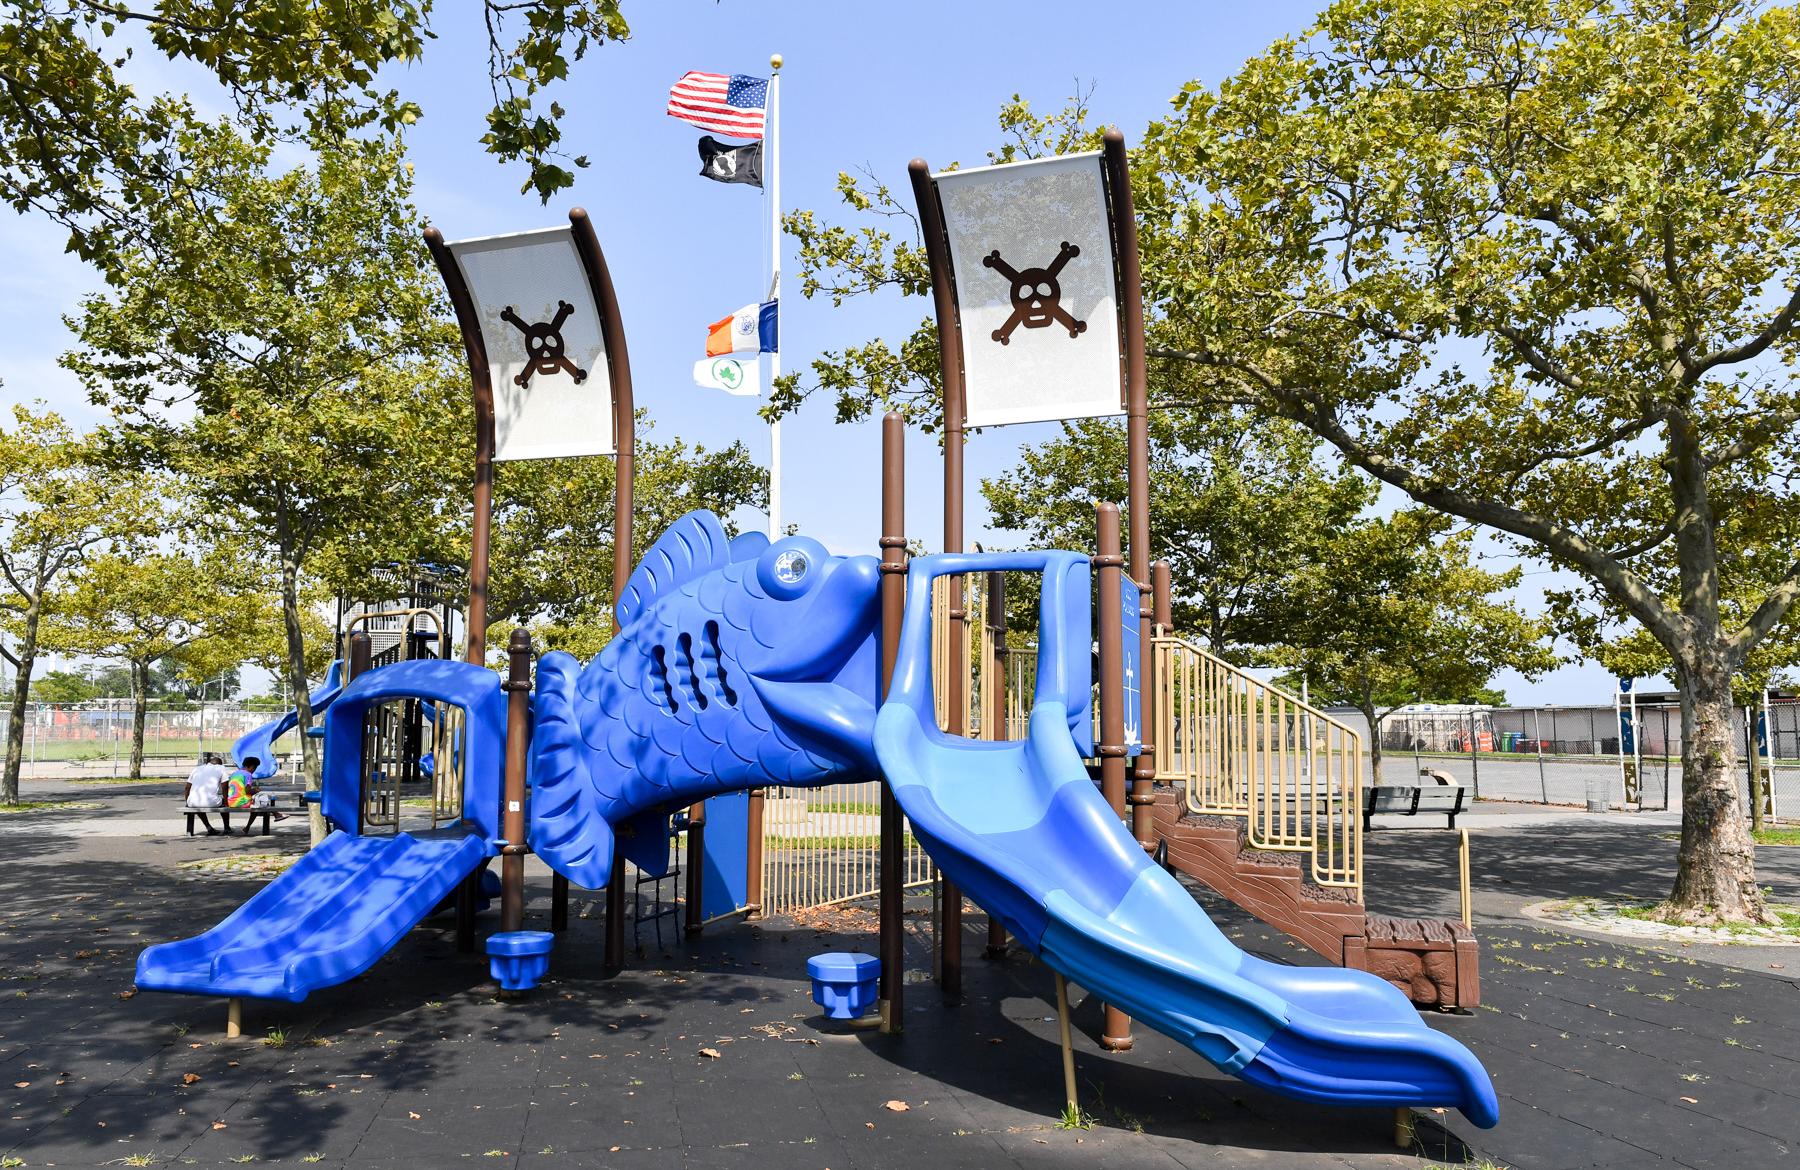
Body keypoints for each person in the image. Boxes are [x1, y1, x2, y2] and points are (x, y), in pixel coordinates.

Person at [183, 753, 229, 835]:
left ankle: (208, 827)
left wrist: (188, 802)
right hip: (210, 801)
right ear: (219, 764)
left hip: (192, 801)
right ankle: (227, 828)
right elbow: (225, 786)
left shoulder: (197, 769)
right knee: (223, 801)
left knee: (196, 803)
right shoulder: (221, 768)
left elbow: (187, 787)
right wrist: (226, 801)